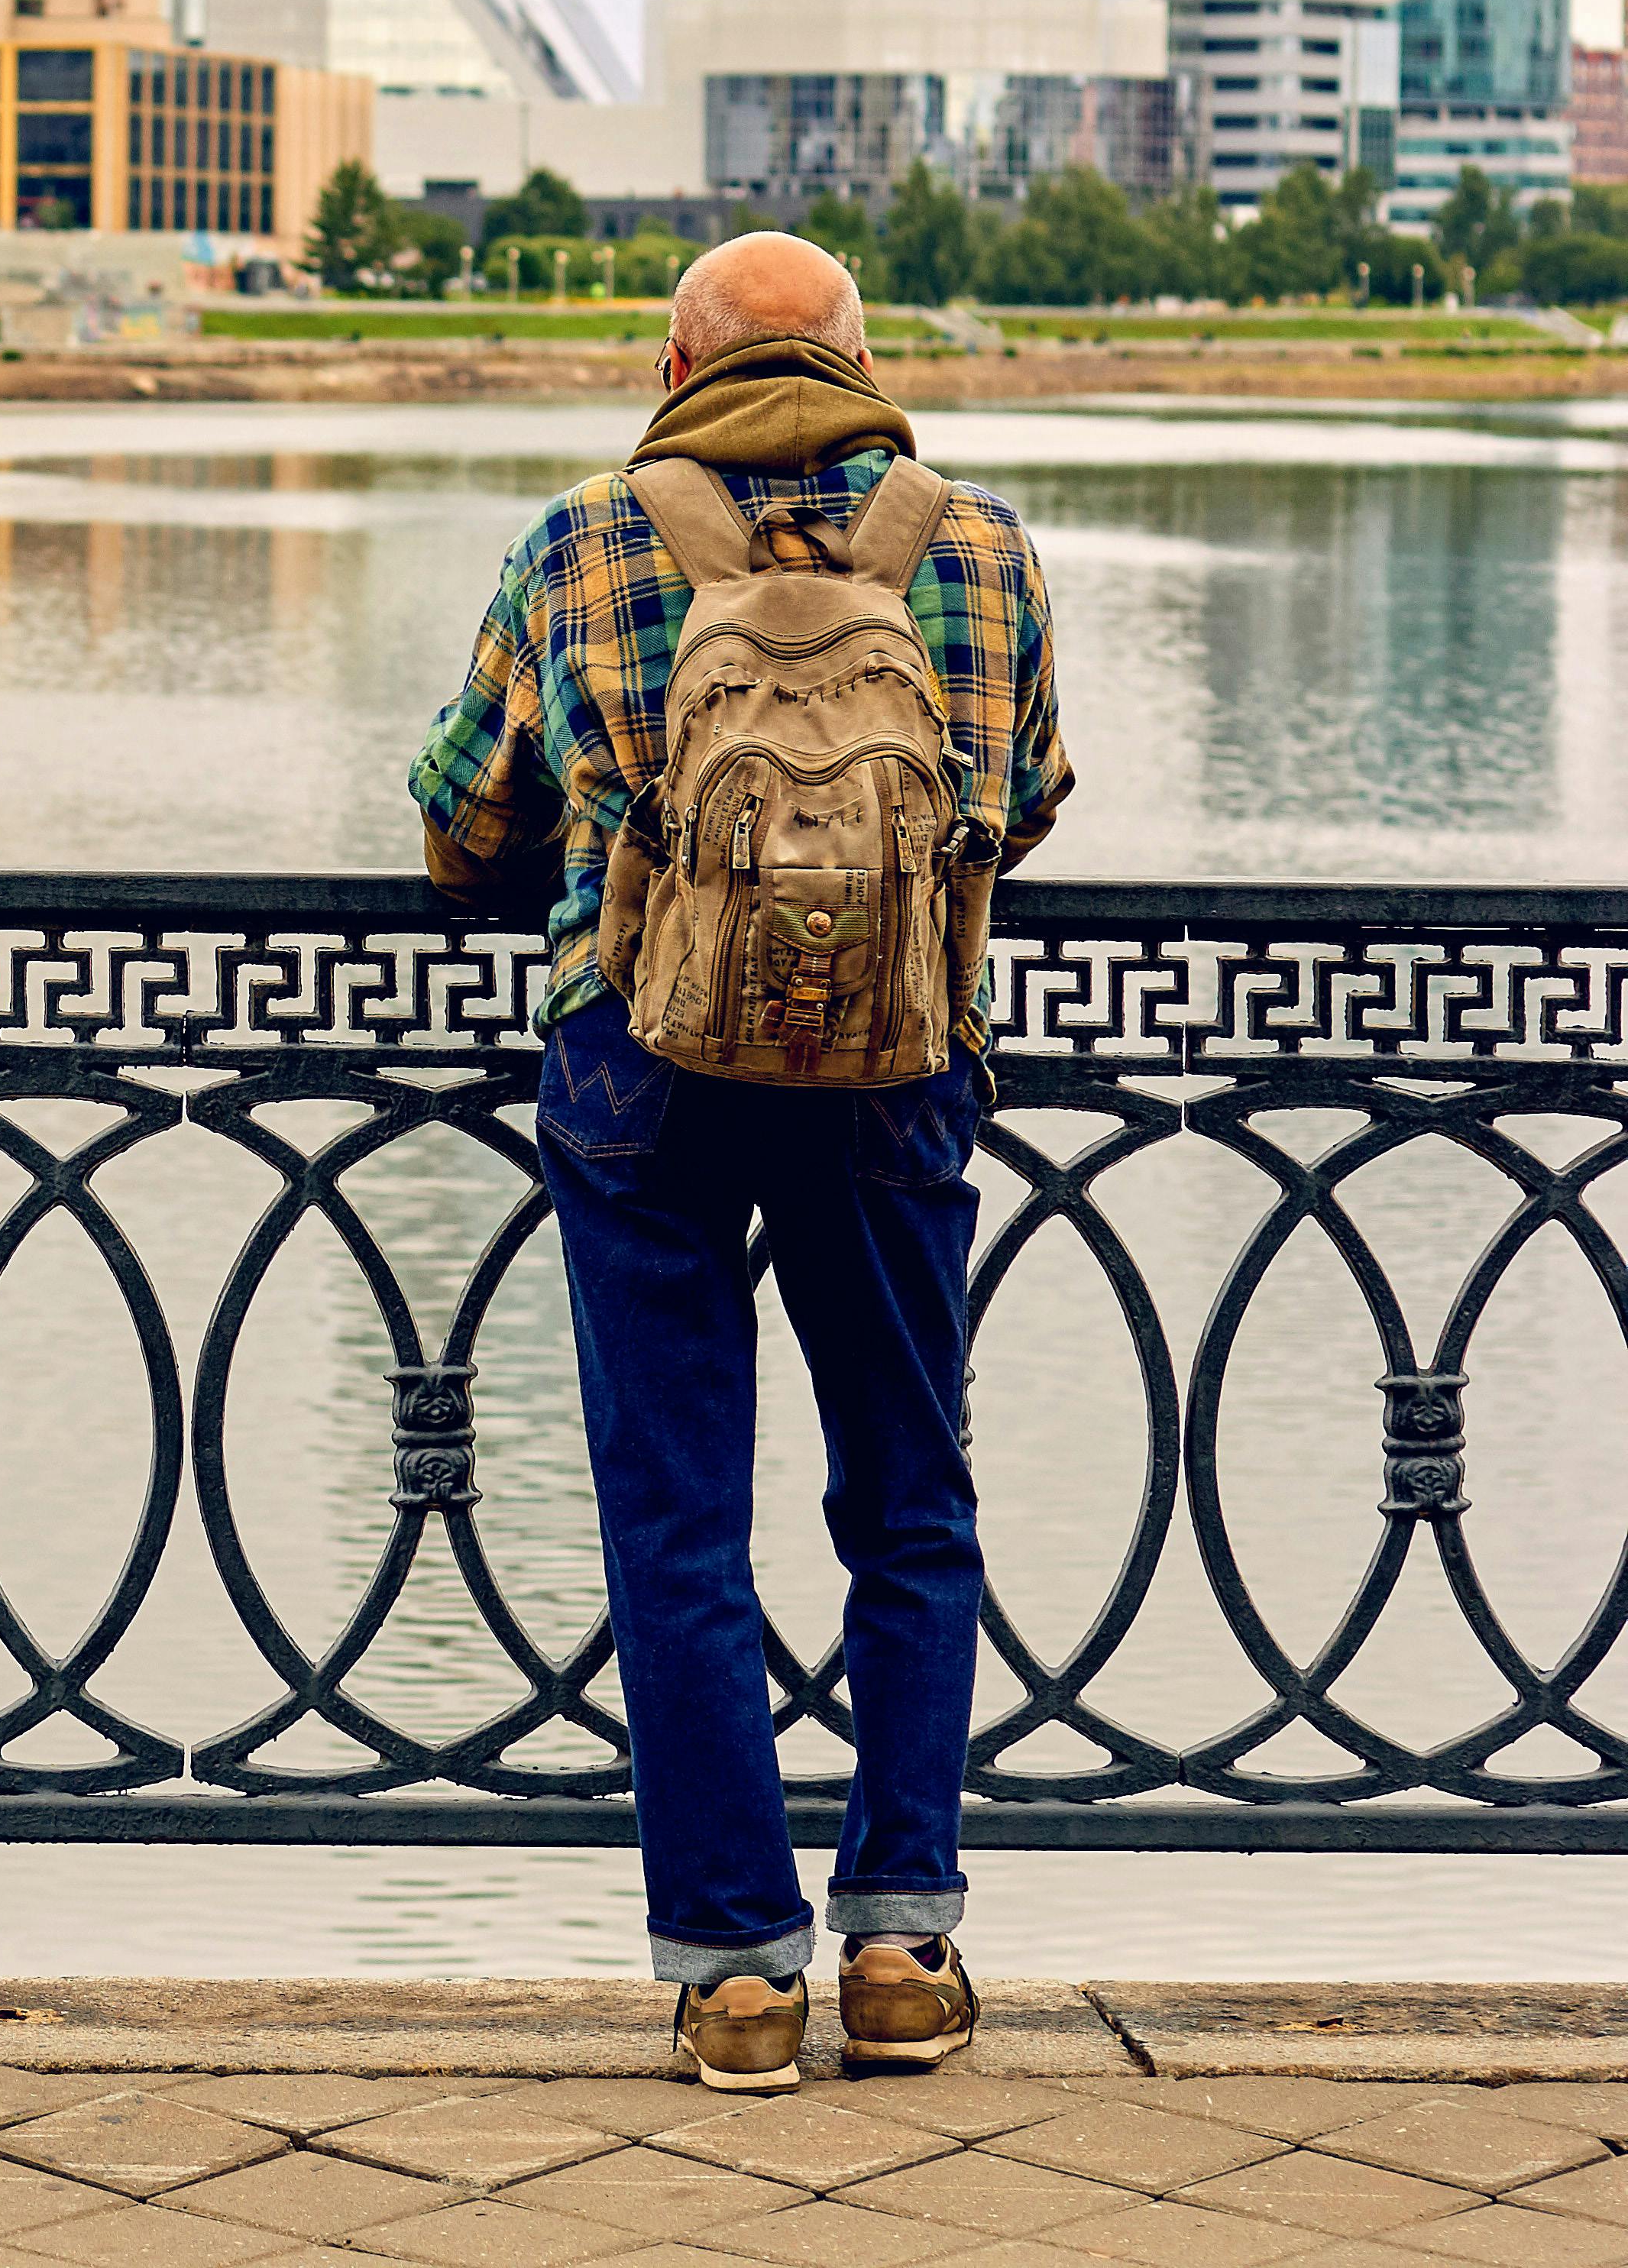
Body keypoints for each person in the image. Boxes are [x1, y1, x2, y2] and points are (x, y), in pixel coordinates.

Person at [406, 233, 1074, 2092]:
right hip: (896, 1070)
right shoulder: (980, 545)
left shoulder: (584, 540)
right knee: (911, 1504)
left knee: (679, 1517)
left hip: (645, 1066)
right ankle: (904, 1946)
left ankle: (735, 1981)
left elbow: (464, 808)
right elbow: (1022, 797)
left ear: (674, 361)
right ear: (863, 358)